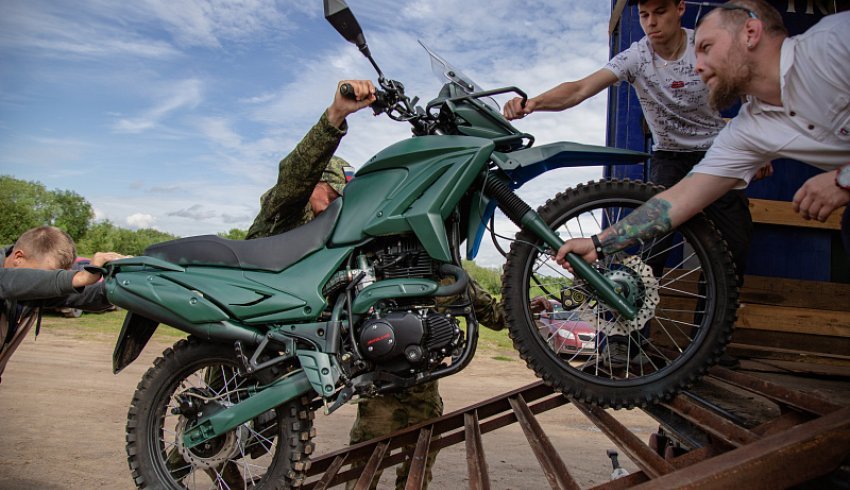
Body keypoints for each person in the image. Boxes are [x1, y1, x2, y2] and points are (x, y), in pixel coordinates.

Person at [246, 80, 543, 489]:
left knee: (416, 462)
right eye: (330, 193)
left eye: (341, 197)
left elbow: (460, 289)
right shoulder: (286, 223)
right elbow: (293, 179)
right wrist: (335, 116)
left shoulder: (358, 247)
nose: (335, 205)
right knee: (346, 455)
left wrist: (519, 313)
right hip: (254, 350)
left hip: (411, 382)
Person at [555, 3, 850, 270]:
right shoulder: (748, 133)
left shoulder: (835, 41)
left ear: (750, 32)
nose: (696, 66)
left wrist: (842, 179)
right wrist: (599, 244)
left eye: (706, 47)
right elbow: (675, 202)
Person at [503, 0, 756, 283]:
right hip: (669, 156)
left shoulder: (703, 46)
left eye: (660, 12)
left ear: (679, 8)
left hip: (715, 153)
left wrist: (754, 150)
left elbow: (750, 90)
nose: (652, 23)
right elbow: (580, 89)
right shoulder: (637, 57)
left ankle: (714, 325)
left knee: (734, 249)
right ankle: (636, 320)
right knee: (652, 248)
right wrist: (534, 103)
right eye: (645, 15)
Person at [0, 226, 125, 381]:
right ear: (18, 257)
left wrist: (122, 286)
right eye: (50, 275)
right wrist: (79, 277)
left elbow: (87, 296)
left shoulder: (33, 293)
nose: (51, 283)